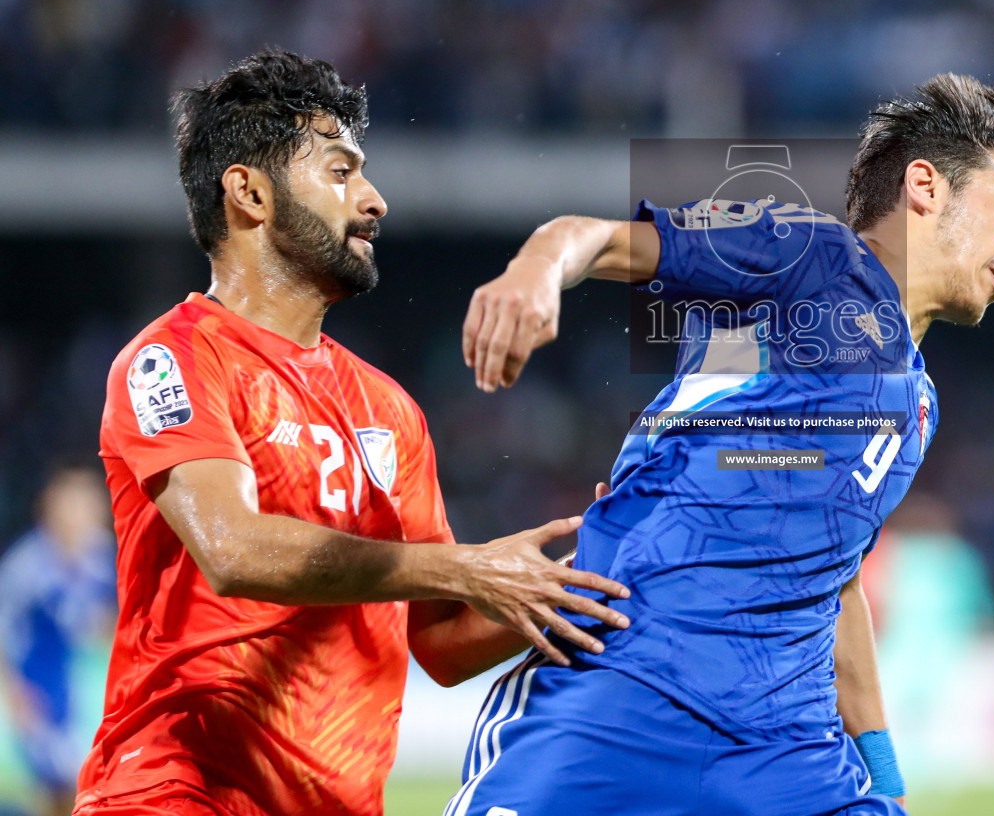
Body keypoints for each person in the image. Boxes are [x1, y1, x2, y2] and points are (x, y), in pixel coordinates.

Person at [454, 73, 994, 815]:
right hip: (623, 703)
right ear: (926, 186)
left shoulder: (917, 406)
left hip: (786, 754)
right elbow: (592, 239)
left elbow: (837, 581)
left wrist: (883, 778)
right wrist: (535, 274)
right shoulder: (810, 257)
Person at [77, 49, 631, 816]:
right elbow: (232, 549)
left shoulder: (388, 408)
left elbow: (437, 643)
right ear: (250, 193)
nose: (374, 201)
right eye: (341, 172)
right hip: (177, 792)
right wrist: (463, 568)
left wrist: (587, 572)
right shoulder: (171, 359)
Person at [0, 465, 116, 816]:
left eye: (87, 502)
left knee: (90, 785)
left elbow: (107, 624)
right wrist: (16, 696)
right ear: (49, 507)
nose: (80, 512)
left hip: (89, 691)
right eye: (71, 502)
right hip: (39, 692)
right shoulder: (26, 566)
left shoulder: (102, 556)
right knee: (56, 788)